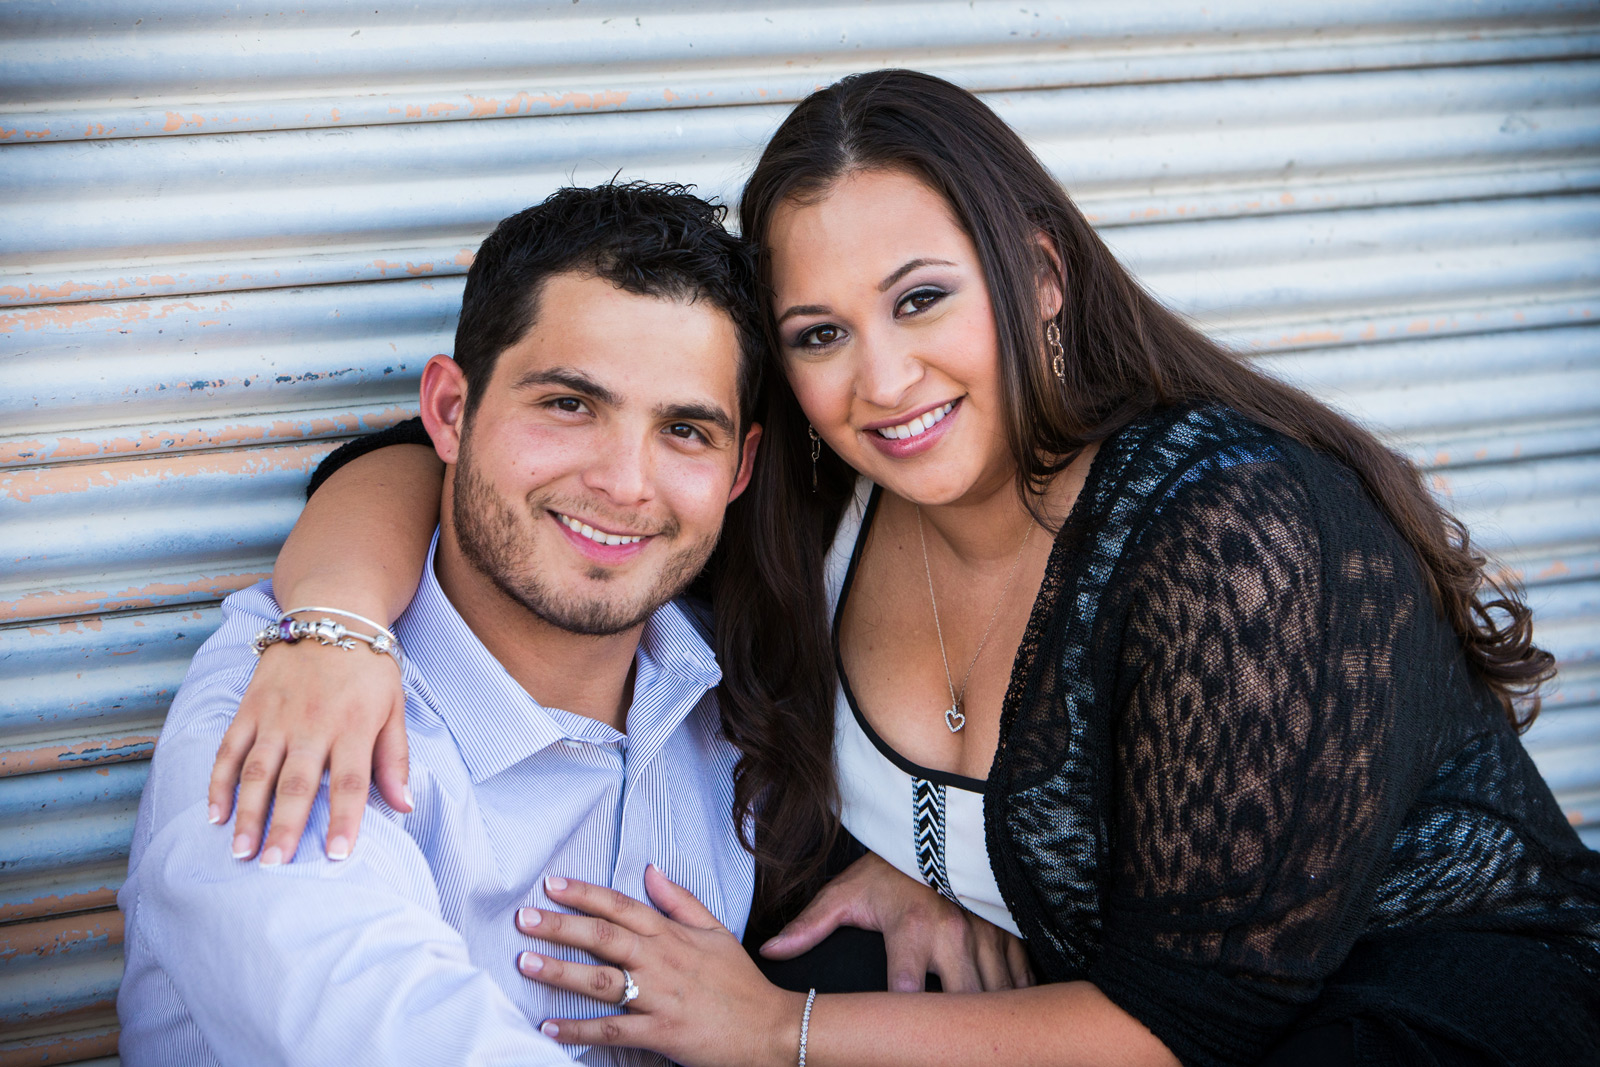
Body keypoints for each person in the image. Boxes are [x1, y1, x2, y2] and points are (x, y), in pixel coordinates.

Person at [210, 71, 1600, 1066]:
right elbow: (458, 462)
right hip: (1092, 989)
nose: (883, 378)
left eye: (923, 298)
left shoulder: (1232, 532)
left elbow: (1194, 1021)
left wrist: (782, 1031)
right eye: (817, 333)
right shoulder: (814, 493)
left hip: (1410, 1004)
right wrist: (333, 624)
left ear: (1040, 279)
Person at [116, 182, 770, 1066]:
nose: (625, 482)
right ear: (450, 412)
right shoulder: (286, 719)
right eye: (569, 404)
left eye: (686, 429)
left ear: (740, 469)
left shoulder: (730, 691)